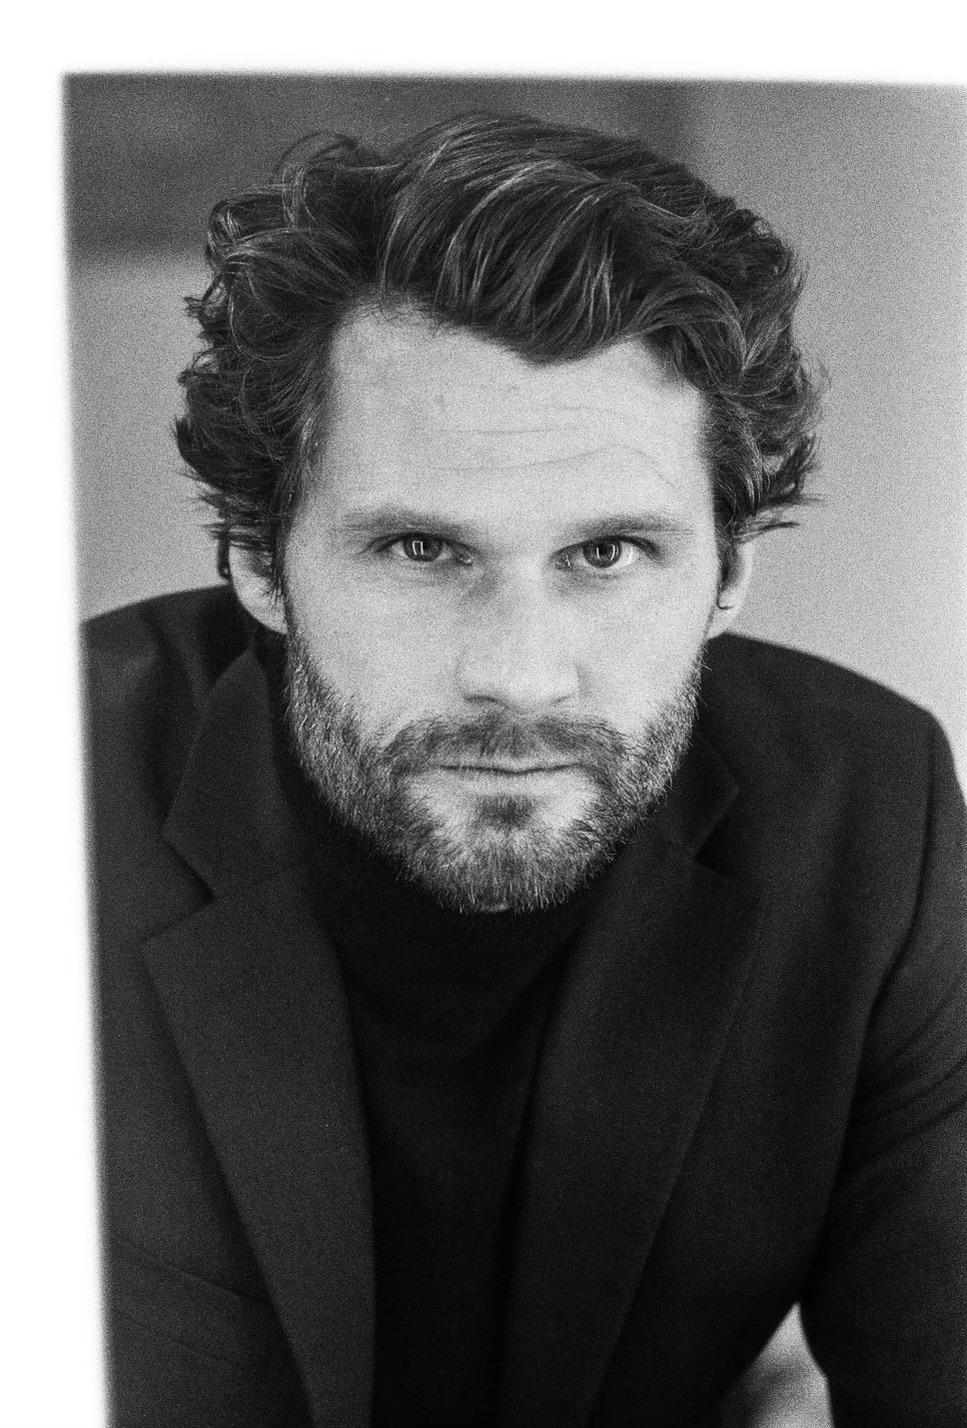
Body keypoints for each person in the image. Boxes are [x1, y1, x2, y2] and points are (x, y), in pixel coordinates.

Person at [85, 114, 967, 1428]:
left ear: (729, 573)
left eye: (607, 554)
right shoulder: (49, 787)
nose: (521, 674)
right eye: (421, 552)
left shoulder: (868, 817)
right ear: (260, 561)